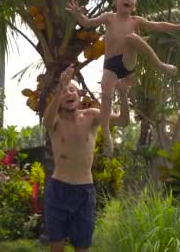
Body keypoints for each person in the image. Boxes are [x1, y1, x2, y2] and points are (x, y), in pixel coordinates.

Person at [66, 0, 180, 154]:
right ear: (115, 2)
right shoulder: (109, 17)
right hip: (110, 65)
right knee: (106, 94)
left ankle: (160, 65)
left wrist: (176, 27)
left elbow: (158, 25)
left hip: (127, 61)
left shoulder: (135, 21)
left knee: (131, 38)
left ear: (135, 5)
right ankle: (107, 133)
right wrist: (78, 14)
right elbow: (88, 23)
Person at [43, 65, 130, 252]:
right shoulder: (55, 121)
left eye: (72, 90)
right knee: (56, 247)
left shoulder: (92, 117)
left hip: (84, 192)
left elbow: (123, 121)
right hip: (59, 189)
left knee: (82, 248)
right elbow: (47, 120)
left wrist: (123, 93)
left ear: (79, 96)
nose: (68, 93)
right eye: (64, 91)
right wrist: (60, 87)